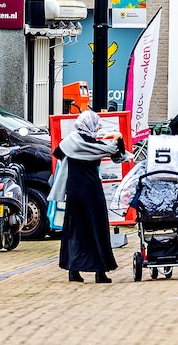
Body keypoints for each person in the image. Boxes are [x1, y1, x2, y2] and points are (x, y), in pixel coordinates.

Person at [48, 110, 130, 283]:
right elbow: (118, 154)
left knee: (75, 230)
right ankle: (100, 272)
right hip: (92, 191)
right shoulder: (96, 145)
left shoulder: (70, 142)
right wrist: (119, 137)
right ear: (91, 126)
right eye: (97, 124)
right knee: (96, 229)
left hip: (74, 191)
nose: (98, 126)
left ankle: (73, 271)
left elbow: (57, 153)